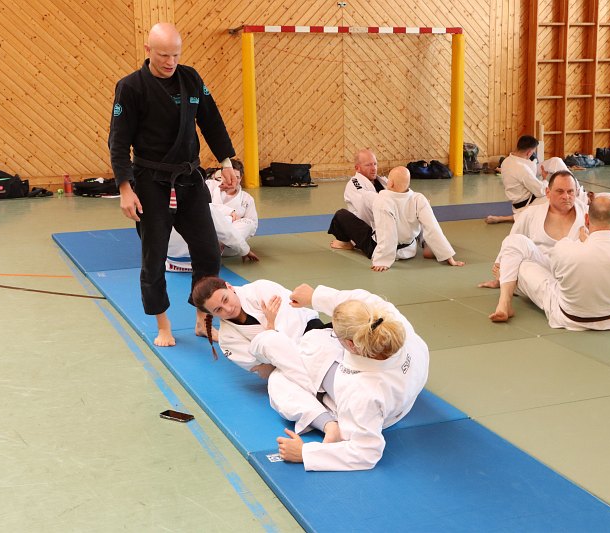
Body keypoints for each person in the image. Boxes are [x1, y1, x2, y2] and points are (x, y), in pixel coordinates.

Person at [108, 22, 236, 347]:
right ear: (148, 50)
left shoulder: (190, 78)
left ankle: (202, 320)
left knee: (208, 252)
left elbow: (211, 120)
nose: (170, 62)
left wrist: (226, 161)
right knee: (154, 258)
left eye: (176, 55)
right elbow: (118, 142)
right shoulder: (131, 87)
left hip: (189, 179)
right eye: (164, 55)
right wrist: (125, 188)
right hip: (150, 182)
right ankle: (163, 325)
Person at [248, 283, 429, 471]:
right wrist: (314, 297)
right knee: (314, 341)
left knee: (278, 380)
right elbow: (363, 298)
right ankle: (268, 341)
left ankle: (329, 425)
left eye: (336, 334)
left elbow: (366, 453)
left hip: (374, 414)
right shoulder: (390, 320)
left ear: (351, 345)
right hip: (401, 391)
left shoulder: (364, 392)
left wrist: (305, 453)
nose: (334, 334)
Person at [488, 196, 610, 329]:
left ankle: (506, 286)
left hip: (568, 316)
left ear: (586, 219)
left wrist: (584, 244)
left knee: (521, 263)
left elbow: (555, 276)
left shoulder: (565, 248)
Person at [328, 166, 465, 271]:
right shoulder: (419, 199)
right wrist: (448, 256)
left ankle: (345, 244)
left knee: (341, 215)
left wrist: (382, 261)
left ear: (391, 183)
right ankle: (427, 245)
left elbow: (387, 234)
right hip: (410, 250)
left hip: (380, 249)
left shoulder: (383, 200)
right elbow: (433, 227)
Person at [191, 277, 323, 378]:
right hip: (288, 367)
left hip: (310, 332)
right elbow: (262, 368)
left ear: (229, 287)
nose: (228, 309)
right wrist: (270, 326)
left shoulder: (261, 289)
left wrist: (267, 352)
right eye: (218, 310)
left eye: (225, 299)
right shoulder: (227, 339)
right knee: (280, 383)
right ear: (211, 314)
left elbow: (295, 324)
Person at [479, 170, 585, 288]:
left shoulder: (587, 214)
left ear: (576, 192)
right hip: (540, 272)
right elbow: (511, 244)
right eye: (560, 191)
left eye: (570, 191)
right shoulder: (531, 214)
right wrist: (501, 275)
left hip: (574, 272)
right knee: (518, 249)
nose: (566, 196)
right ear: (548, 192)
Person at [167, 160, 259, 271]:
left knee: (247, 223)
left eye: (236, 177)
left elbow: (251, 226)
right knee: (221, 221)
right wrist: (229, 213)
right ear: (222, 175)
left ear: (241, 178)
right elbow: (213, 213)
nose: (231, 180)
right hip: (209, 245)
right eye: (229, 176)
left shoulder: (247, 199)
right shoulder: (210, 186)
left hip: (225, 243)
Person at [330, 149, 388, 250]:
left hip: (383, 237)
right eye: (368, 165)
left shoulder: (383, 181)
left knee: (341, 215)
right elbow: (366, 211)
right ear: (357, 168)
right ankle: (348, 243)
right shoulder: (354, 184)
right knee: (341, 215)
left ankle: (346, 242)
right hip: (372, 233)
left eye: (375, 164)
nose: (373, 168)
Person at [484, 135, 546, 224]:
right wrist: (544, 179)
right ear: (529, 153)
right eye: (532, 152)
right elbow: (540, 192)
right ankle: (505, 218)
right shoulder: (522, 168)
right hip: (527, 204)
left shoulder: (506, 161)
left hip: (516, 205)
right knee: (554, 198)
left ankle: (517, 217)